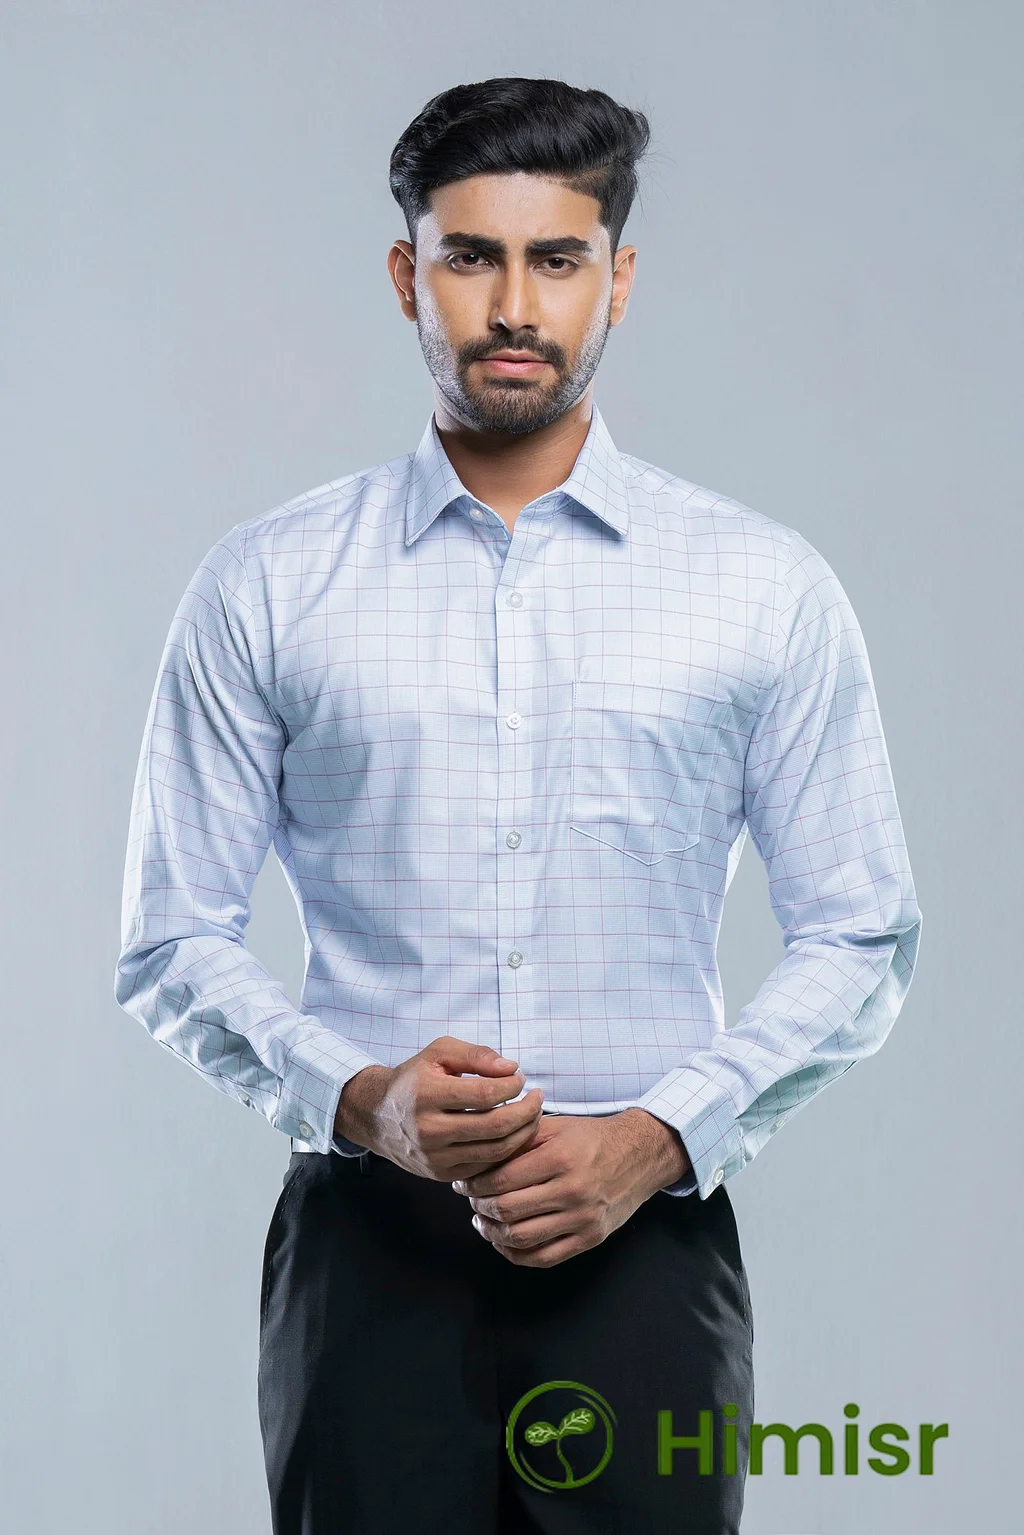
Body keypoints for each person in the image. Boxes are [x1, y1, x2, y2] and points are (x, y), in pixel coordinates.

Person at [114, 76, 922, 1535]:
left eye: (556, 260)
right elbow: (171, 939)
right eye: (470, 257)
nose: (512, 307)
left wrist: (659, 1137)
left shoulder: (761, 588)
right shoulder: (269, 585)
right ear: (405, 275)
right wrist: (360, 1099)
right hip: (365, 1248)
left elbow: (861, 933)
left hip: (646, 1250)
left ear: (619, 277)